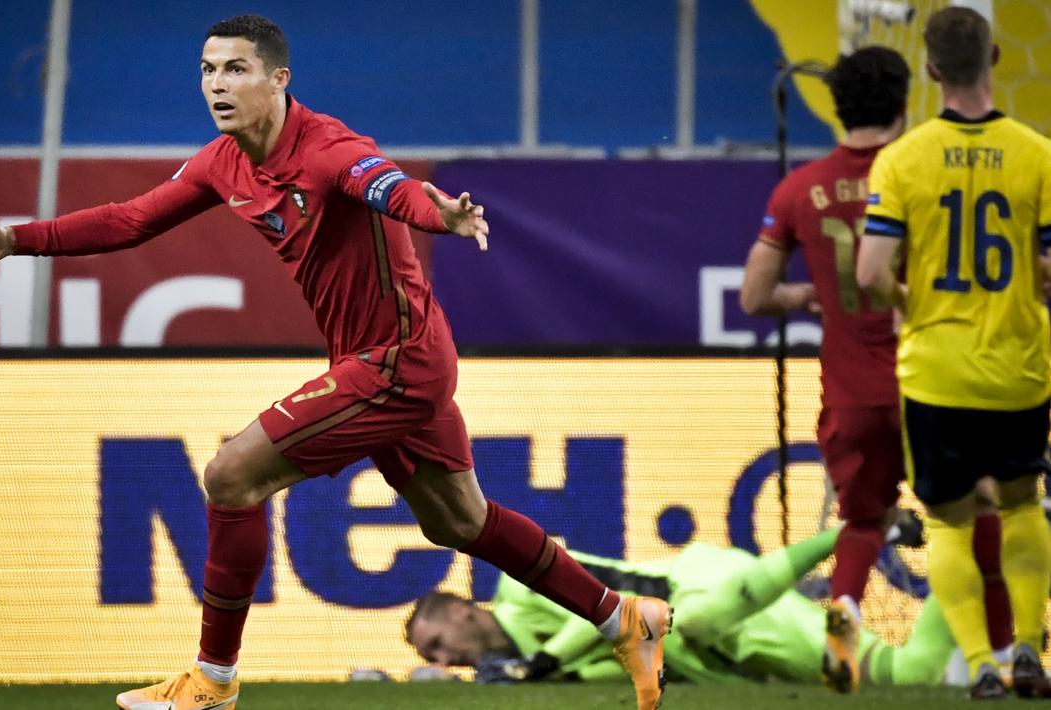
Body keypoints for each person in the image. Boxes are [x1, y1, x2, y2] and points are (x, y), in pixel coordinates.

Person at [0, 15, 670, 710]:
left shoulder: (327, 150)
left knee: (230, 474)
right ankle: (619, 616)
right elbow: (130, 220)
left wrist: (438, 214)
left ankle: (212, 681)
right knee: (459, 522)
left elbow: (390, 187)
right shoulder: (222, 162)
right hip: (378, 359)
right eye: (208, 68)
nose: (217, 83)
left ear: (278, 79)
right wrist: (18, 240)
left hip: (396, 361)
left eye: (237, 68)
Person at [740, 45, 1011, 694]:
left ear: (835, 107)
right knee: (977, 514)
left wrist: (802, 296)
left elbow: (753, 297)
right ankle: (1000, 655)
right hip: (932, 382)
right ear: (901, 100)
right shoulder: (924, 171)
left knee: (862, 523)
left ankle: (842, 628)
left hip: (848, 392)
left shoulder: (798, 188)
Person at [857, 6, 1051, 700]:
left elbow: (868, 272)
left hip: (936, 371)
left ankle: (979, 666)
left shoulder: (902, 158)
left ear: (930, 69)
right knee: (1024, 505)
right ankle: (1028, 646)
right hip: (1018, 369)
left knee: (947, 518)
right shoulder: (1037, 153)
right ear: (995, 56)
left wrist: (912, 299)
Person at [405, 530, 958, 687]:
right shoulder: (531, 671)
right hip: (722, 647)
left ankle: (853, 531)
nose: (446, 657)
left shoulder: (522, 587)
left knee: (691, 618)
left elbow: (617, 616)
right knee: (905, 678)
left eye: (437, 643)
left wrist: (542, 665)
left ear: (462, 612)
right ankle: (984, 567)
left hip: (702, 592)